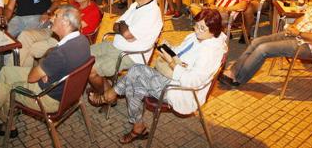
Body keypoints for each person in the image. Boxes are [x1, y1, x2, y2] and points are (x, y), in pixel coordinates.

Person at [88, 9, 227, 144]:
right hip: (173, 77)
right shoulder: (196, 37)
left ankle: (109, 96)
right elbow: (180, 51)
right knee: (133, 83)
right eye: (196, 25)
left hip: (181, 90)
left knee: (136, 71)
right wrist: (168, 48)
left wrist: (172, 63)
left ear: (214, 30)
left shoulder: (211, 52)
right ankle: (138, 128)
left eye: (202, 28)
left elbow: (192, 81)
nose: (197, 30)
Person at [0, 5, 91, 137]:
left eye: (56, 16)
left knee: (6, 83)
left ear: (66, 22)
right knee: (6, 73)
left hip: (47, 98)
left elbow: (31, 78)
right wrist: (45, 69)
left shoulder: (61, 53)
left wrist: (41, 70)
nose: (51, 19)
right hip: (67, 94)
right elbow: (55, 60)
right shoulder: (83, 41)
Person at [87, 0, 163, 95]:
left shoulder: (152, 12)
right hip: (115, 46)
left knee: (90, 69)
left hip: (130, 55)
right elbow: (115, 25)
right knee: (81, 54)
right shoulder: (135, 5)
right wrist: (122, 26)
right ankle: (104, 85)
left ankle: (107, 96)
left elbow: (128, 35)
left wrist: (122, 26)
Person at [13, 0, 103, 69]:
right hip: (53, 31)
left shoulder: (93, 12)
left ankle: (20, 74)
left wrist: (55, 19)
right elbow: (60, 13)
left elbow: (72, 29)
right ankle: (16, 71)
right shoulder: (76, 4)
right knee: (25, 35)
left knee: (31, 49)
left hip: (66, 39)